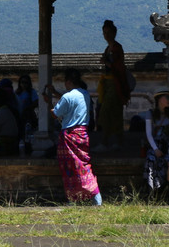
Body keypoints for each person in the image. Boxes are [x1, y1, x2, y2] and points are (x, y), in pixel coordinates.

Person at [47, 67, 102, 206]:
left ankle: (76, 198)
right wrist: (55, 93)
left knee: (70, 167)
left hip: (69, 135)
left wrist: (50, 104)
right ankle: (91, 198)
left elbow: (56, 113)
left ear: (69, 81)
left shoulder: (67, 96)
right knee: (83, 164)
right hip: (82, 133)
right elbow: (71, 102)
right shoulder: (85, 94)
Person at [144, 90, 169, 197]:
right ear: (159, 99)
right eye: (167, 98)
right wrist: (155, 148)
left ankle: (167, 187)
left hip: (168, 145)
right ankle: (152, 189)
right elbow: (149, 134)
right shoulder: (150, 113)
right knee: (151, 160)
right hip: (155, 144)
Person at [98, 20, 129, 150]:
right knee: (108, 111)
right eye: (104, 33)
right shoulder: (108, 48)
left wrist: (107, 62)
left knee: (110, 111)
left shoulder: (117, 48)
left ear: (114, 33)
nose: (106, 35)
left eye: (109, 32)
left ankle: (112, 141)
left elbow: (118, 66)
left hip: (115, 83)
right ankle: (110, 140)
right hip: (108, 82)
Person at [15, 74, 39, 155]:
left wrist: (27, 108)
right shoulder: (17, 93)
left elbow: (36, 102)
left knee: (28, 135)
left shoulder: (32, 92)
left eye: (26, 82)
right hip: (19, 117)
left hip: (28, 117)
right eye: (22, 82)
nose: (24, 84)